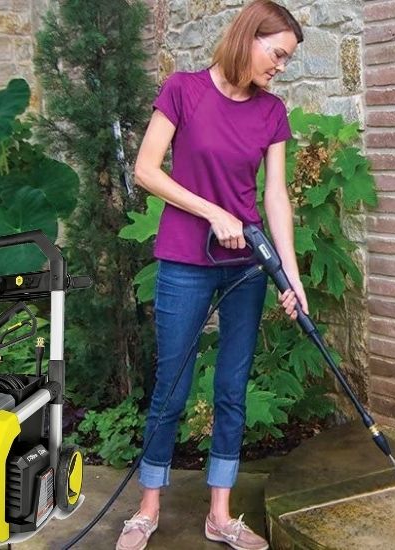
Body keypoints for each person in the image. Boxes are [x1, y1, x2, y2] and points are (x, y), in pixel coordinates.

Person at [118, 2, 304, 549]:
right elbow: (147, 170)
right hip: (184, 261)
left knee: (231, 389)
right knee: (170, 387)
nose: (281, 67)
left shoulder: (272, 111)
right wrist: (213, 212)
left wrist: (289, 279)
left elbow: (275, 196)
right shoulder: (184, 90)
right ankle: (147, 507)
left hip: (245, 267)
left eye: (289, 60)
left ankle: (219, 514)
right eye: (278, 54)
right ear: (249, 38)